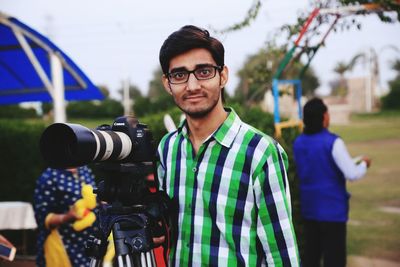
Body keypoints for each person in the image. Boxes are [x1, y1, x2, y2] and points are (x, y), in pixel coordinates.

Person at [156, 25, 300, 266]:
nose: (192, 86)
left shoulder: (260, 152)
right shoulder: (168, 148)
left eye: (203, 72)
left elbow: (282, 256)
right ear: (167, 83)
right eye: (179, 75)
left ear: (222, 76)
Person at [293, 97, 371, 267]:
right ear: (323, 117)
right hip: (332, 212)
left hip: (310, 210)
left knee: (311, 258)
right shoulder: (333, 142)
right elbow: (352, 173)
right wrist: (364, 164)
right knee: (334, 260)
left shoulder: (298, 142)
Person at [33, 166, 97, 267]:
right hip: (65, 245)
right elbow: (42, 217)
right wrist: (67, 217)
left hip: (88, 244)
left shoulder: (84, 169)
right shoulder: (49, 176)